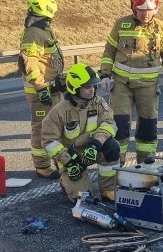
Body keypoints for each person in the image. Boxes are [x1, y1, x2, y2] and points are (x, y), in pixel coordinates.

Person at [98, 0, 163, 165]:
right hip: (121, 86)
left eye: (150, 10)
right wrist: (105, 75)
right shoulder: (121, 24)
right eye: (142, 10)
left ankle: (145, 168)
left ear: (156, 8)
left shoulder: (161, 28)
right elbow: (109, 51)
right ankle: (116, 169)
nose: (146, 14)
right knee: (119, 127)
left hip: (148, 87)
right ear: (134, 7)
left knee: (148, 129)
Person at [41, 63, 120, 202]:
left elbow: (109, 124)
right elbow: (48, 141)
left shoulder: (98, 102)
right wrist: (69, 163)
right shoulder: (58, 111)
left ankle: (108, 189)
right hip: (71, 157)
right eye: (87, 87)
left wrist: (95, 145)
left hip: (91, 149)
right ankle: (65, 181)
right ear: (75, 88)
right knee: (84, 198)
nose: (92, 91)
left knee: (112, 146)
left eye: (93, 86)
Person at [19, 0, 65, 179]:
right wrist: (41, 88)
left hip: (51, 88)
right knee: (41, 128)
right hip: (42, 91)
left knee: (56, 127)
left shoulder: (42, 29)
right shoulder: (34, 33)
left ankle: (58, 160)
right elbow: (30, 63)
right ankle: (42, 167)